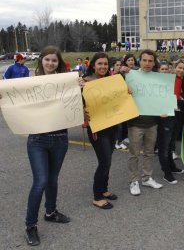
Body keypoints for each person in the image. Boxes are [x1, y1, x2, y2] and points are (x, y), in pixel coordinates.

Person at [11, 46, 78, 246]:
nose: (50, 63)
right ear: (41, 60)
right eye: (47, 59)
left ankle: (50, 212)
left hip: (59, 139)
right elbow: (15, 101)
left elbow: (75, 106)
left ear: (59, 63)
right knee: (40, 181)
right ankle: (30, 226)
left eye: (54, 60)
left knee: (52, 179)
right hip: (37, 141)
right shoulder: (29, 84)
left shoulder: (68, 84)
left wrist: (80, 88)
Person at [83, 53, 119, 209]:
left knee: (108, 160)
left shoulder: (111, 80)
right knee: (104, 162)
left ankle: (104, 189)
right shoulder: (85, 82)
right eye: (100, 64)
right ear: (93, 65)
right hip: (98, 128)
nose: (103, 66)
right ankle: (97, 196)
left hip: (113, 125)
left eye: (105, 64)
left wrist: (127, 90)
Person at [126, 50, 164, 195]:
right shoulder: (130, 76)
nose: (147, 63)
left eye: (150, 61)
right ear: (139, 61)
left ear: (154, 62)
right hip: (136, 123)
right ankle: (134, 181)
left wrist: (165, 109)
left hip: (152, 123)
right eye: (144, 60)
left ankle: (147, 178)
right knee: (134, 154)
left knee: (149, 153)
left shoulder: (158, 78)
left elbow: (162, 98)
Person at [156, 59, 184, 185]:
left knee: (171, 144)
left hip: (178, 115)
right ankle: (166, 172)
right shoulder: (168, 78)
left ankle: (172, 166)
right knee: (164, 146)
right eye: (179, 67)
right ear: (174, 67)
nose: (181, 70)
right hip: (166, 115)